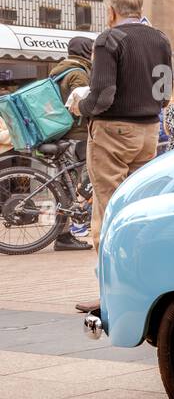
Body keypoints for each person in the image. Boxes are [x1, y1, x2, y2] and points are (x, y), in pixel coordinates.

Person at [73, 0, 171, 313]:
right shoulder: (161, 39)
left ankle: (112, 297)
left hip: (112, 132)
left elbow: (102, 96)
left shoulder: (109, 39)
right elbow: (165, 93)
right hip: (148, 132)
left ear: (112, 11)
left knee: (108, 211)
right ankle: (144, 290)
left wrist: (80, 106)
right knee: (138, 210)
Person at [47, 36, 95, 250]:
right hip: (77, 135)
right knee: (81, 181)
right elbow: (84, 103)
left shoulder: (58, 70)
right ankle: (69, 231)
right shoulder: (78, 73)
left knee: (66, 185)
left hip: (61, 133)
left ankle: (65, 233)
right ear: (85, 51)